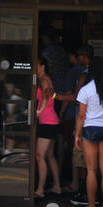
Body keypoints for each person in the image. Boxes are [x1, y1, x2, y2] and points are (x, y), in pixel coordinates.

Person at [74, 58, 103, 207]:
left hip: (90, 130)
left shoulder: (85, 90)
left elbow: (81, 115)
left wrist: (77, 134)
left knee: (91, 170)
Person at [62, 45, 91, 198]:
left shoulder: (81, 75)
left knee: (80, 159)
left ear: (84, 57)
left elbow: (75, 98)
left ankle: (82, 192)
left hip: (83, 121)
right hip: (100, 125)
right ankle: (91, 196)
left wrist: (55, 97)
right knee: (96, 165)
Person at [35, 58, 62, 199]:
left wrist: (39, 111)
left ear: (42, 66)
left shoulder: (44, 80)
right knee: (50, 156)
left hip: (47, 121)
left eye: (36, 65)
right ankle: (57, 186)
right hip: (51, 121)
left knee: (39, 156)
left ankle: (40, 189)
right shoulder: (43, 79)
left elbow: (46, 97)